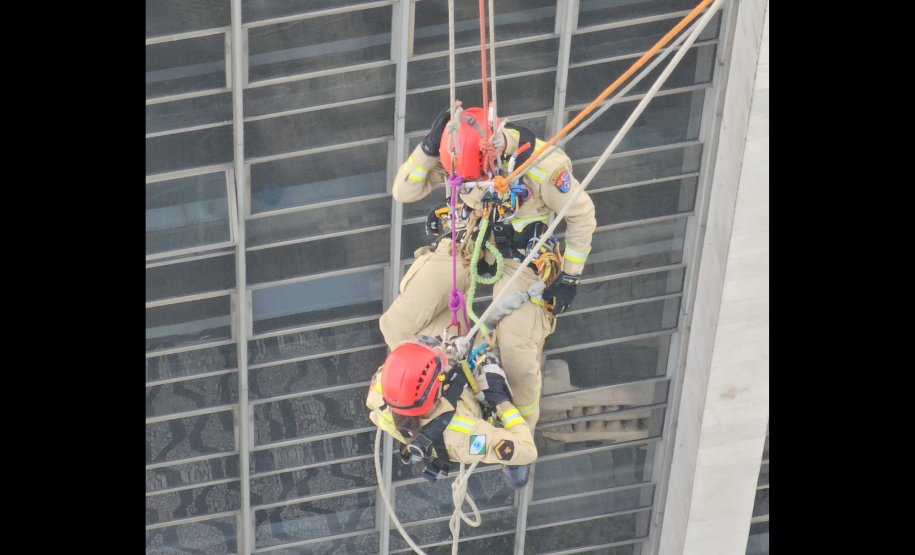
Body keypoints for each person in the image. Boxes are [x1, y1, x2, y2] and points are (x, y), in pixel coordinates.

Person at [379, 106, 597, 430]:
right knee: (396, 326)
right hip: (465, 242)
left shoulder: (542, 165)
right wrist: (427, 150)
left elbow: (582, 215)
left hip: (519, 256)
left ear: (491, 159)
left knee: (516, 358)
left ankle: (520, 427)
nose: (468, 185)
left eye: (475, 178)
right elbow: (403, 191)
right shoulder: (455, 154)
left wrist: (571, 277)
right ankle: (446, 380)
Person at [366, 335, 537, 488]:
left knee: (391, 325)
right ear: (436, 391)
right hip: (477, 402)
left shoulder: (381, 389)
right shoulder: (465, 435)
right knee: (524, 388)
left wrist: (449, 347)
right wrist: (500, 400)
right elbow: (528, 451)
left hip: (457, 379)